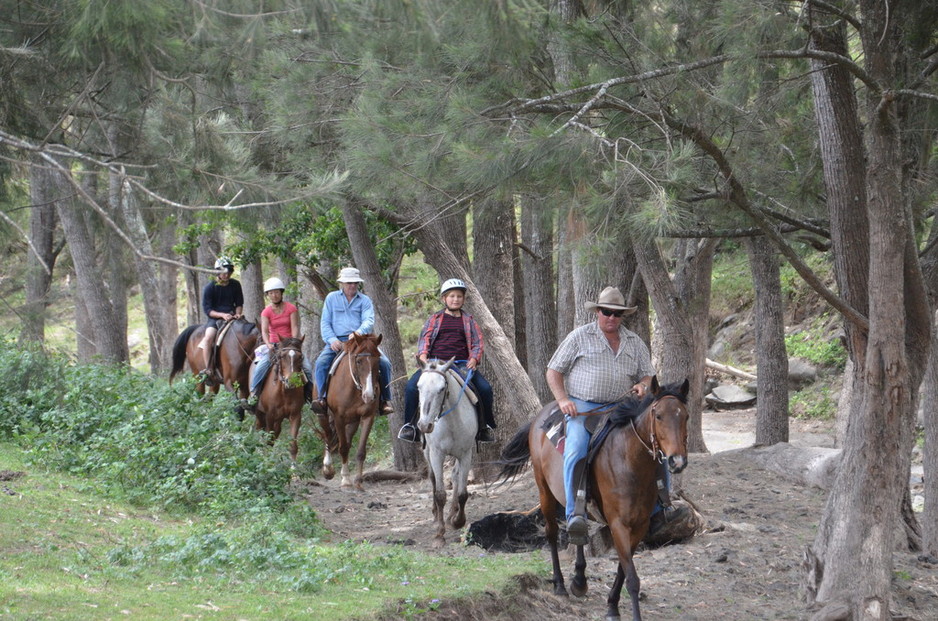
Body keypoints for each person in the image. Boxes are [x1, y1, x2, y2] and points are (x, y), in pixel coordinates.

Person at [546, 285, 663, 545]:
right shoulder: (579, 337)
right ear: (597, 312)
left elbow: (647, 374)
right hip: (584, 407)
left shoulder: (634, 341)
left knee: (656, 443)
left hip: (621, 407)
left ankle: (661, 506)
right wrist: (563, 400)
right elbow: (553, 370)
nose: (611, 318)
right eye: (606, 312)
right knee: (576, 449)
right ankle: (574, 513)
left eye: (617, 314)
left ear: (623, 316)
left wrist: (643, 385)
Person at [397, 278, 496, 444]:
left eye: (459, 296)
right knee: (411, 387)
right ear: (444, 299)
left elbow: (478, 343)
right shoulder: (434, 319)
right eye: (451, 296)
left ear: (463, 299)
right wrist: (423, 356)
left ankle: (484, 427)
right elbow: (425, 339)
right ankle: (410, 426)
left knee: (485, 389)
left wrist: (474, 358)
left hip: (461, 364)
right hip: (435, 364)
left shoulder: (469, 321)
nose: (455, 299)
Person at [311, 267, 393, 415]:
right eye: (349, 282)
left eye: (355, 282)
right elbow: (325, 322)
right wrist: (331, 340)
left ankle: (385, 400)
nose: (352, 285)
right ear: (342, 283)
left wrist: (358, 333)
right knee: (321, 363)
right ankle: (321, 399)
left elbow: (368, 320)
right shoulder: (331, 298)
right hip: (337, 340)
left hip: (360, 340)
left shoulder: (365, 300)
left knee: (385, 363)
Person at [241, 277, 314, 409]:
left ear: (281, 293)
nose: (274, 295)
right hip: (275, 346)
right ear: (268, 295)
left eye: (276, 292)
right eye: (271, 293)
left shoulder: (291, 308)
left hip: (290, 345)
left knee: (307, 367)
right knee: (261, 366)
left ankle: (312, 395)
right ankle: (254, 394)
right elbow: (264, 331)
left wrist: (294, 342)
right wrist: (268, 344)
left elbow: (295, 327)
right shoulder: (266, 312)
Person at [197, 257, 244, 382]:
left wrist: (238, 314)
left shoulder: (235, 284)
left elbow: (239, 303)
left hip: (233, 317)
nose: (226, 274)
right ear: (217, 272)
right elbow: (208, 310)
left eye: (229, 271)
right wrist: (222, 315)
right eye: (224, 271)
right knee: (208, 338)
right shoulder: (210, 287)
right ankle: (208, 369)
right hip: (215, 319)